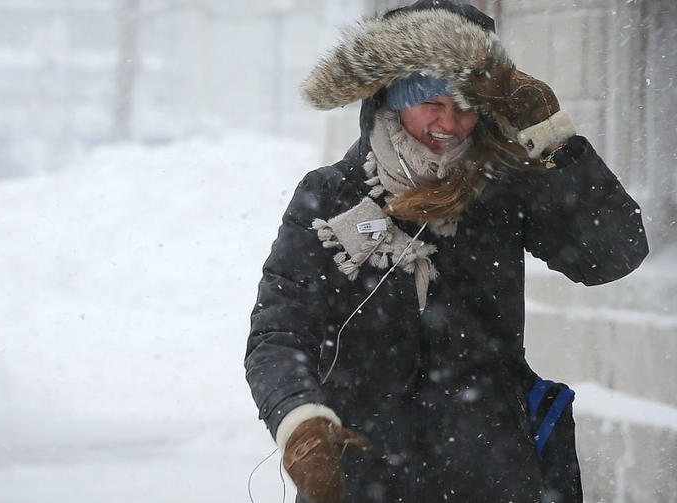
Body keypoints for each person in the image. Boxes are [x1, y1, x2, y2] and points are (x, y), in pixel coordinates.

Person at [244, 2, 648, 502]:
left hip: (491, 473)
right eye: (429, 100)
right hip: (361, 476)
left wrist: (551, 136)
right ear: (391, 96)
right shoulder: (332, 195)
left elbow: (612, 253)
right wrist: (302, 424)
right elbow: (279, 333)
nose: (449, 122)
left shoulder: (504, 190)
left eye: (465, 104)